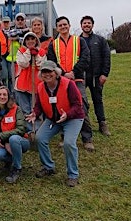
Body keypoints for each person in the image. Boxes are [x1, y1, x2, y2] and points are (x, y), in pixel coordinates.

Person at [26, 60, 85, 187]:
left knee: (69, 143)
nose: (47, 74)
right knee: (40, 138)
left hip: (72, 118)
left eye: (50, 71)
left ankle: (73, 175)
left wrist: (67, 115)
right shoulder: (41, 87)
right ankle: (48, 166)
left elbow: (78, 105)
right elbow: (39, 105)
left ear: (56, 73)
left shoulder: (69, 84)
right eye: (44, 72)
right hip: (54, 120)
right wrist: (35, 113)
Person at [47, 16, 94, 151]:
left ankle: (87, 138)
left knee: (82, 106)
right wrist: (63, 73)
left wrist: (73, 72)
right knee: (63, 108)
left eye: (65, 25)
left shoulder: (79, 41)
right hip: (61, 80)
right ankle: (64, 136)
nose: (63, 27)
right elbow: (51, 62)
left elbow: (86, 58)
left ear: (69, 25)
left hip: (77, 79)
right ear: (57, 28)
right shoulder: (53, 44)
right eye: (60, 25)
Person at [0, 86, 29, 183]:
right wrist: (3, 143)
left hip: (21, 141)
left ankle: (16, 168)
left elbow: (21, 129)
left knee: (13, 139)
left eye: (5, 94)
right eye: (0, 95)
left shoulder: (16, 109)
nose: (2, 97)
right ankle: (12, 160)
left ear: (9, 96)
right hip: (4, 143)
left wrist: (2, 136)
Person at [80, 15, 112, 136]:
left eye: (89, 23)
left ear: (92, 25)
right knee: (82, 102)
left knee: (97, 100)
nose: (86, 25)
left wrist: (104, 74)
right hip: (81, 77)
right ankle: (83, 125)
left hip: (96, 77)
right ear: (81, 26)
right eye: (84, 23)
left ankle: (102, 124)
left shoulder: (100, 40)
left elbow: (107, 57)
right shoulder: (77, 41)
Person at [15, 32, 46, 134]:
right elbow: (23, 63)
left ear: (36, 40)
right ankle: (29, 130)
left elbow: (41, 66)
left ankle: (37, 130)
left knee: (35, 109)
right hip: (22, 85)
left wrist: (36, 54)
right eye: (28, 39)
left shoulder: (42, 52)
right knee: (25, 109)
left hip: (36, 85)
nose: (30, 41)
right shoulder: (21, 51)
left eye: (32, 39)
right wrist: (29, 52)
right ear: (25, 41)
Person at [6, 13, 30, 94]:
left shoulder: (29, 32)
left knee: (24, 79)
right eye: (18, 20)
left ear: (25, 21)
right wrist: (23, 31)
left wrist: (17, 38)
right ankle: (13, 97)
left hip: (25, 61)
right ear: (15, 21)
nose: (20, 21)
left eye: (22, 20)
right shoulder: (12, 30)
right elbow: (10, 34)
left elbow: (28, 41)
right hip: (13, 61)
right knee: (12, 80)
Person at [0, 16, 12, 91]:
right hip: (2, 56)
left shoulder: (14, 32)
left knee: (11, 75)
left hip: (11, 56)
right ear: (2, 23)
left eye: (7, 22)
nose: (6, 24)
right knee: (4, 75)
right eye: (4, 22)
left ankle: (12, 92)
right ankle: (5, 90)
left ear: (10, 23)